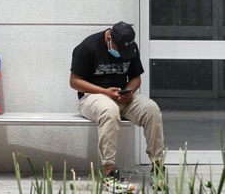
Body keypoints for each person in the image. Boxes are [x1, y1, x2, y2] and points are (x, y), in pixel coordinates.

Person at [70, 21, 165, 190]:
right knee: (110, 110)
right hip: (93, 97)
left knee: (152, 109)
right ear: (109, 38)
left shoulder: (130, 47)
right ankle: (109, 173)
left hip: (122, 97)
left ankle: (158, 167)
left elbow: (135, 77)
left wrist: (129, 91)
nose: (122, 53)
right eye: (118, 48)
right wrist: (105, 92)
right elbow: (74, 81)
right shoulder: (87, 47)